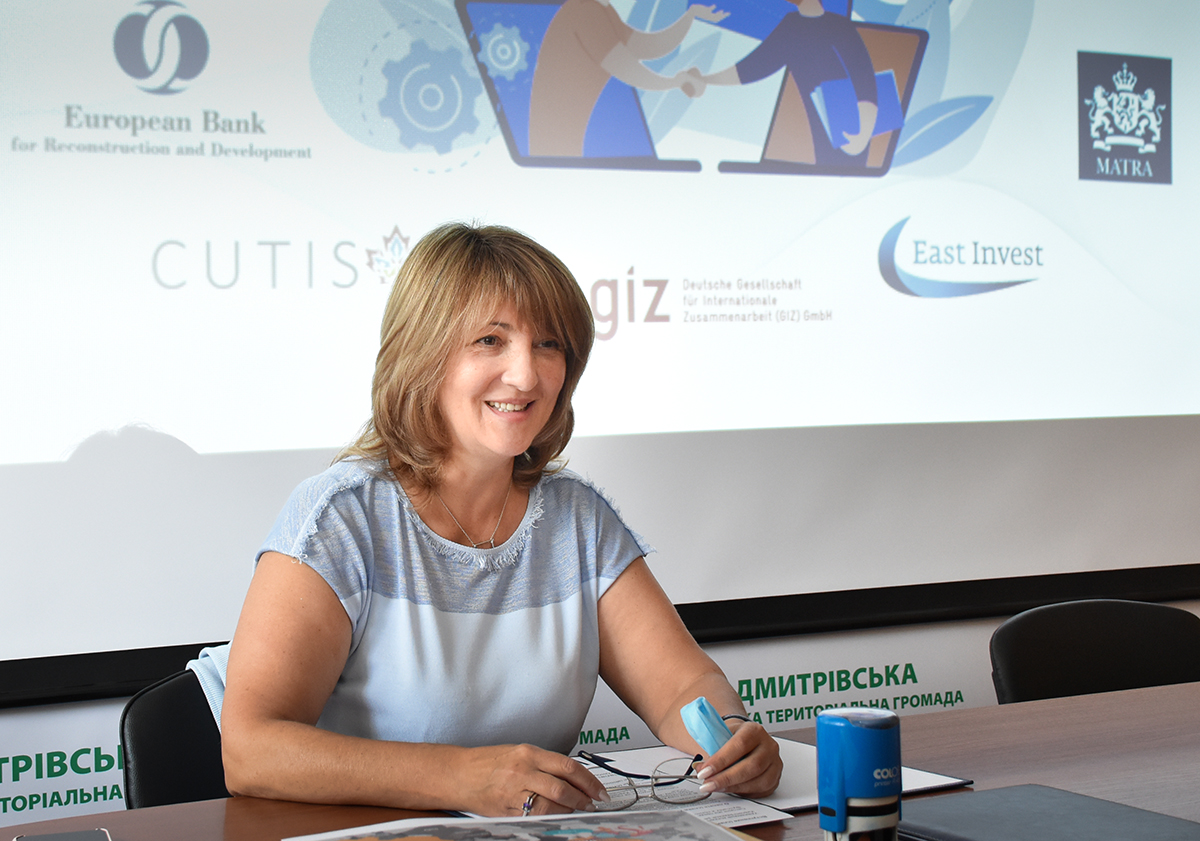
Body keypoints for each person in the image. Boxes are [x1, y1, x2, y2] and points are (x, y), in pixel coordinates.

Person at [189, 222, 781, 816]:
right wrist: (460, 778)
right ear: (423, 354)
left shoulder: (578, 519)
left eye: (548, 344)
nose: (526, 376)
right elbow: (251, 750)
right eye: (490, 340)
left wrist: (732, 736)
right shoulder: (339, 518)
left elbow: (683, 686)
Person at [528, 0, 726, 156]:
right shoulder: (585, 11)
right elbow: (628, 70)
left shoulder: (602, 9)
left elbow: (647, 46)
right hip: (553, 139)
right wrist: (676, 82)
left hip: (563, 138)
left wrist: (690, 16)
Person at [700, 0, 878, 164]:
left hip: (853, 134)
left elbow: (864, 78)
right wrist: (705, 79)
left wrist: (864, 133)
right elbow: (753, 67)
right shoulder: (791, 26)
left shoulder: (840, 25)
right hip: (822, 140)